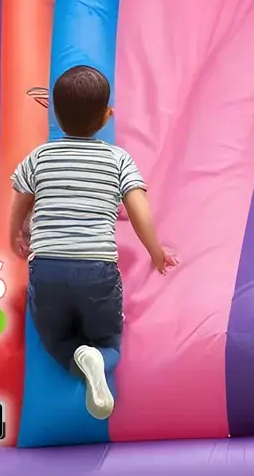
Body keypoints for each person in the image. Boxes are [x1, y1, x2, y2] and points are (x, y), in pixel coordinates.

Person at [9, 65, 177, 421]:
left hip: (48, 266)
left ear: (54, 112)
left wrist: (16, 232)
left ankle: (77, 358)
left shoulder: (40, 157)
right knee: (108, 340)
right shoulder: (117, 159)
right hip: (96, 269)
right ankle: (99, 357)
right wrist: (156, 252)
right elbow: (139, 211)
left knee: (54, 339)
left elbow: (21, 199)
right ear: (107, 116)